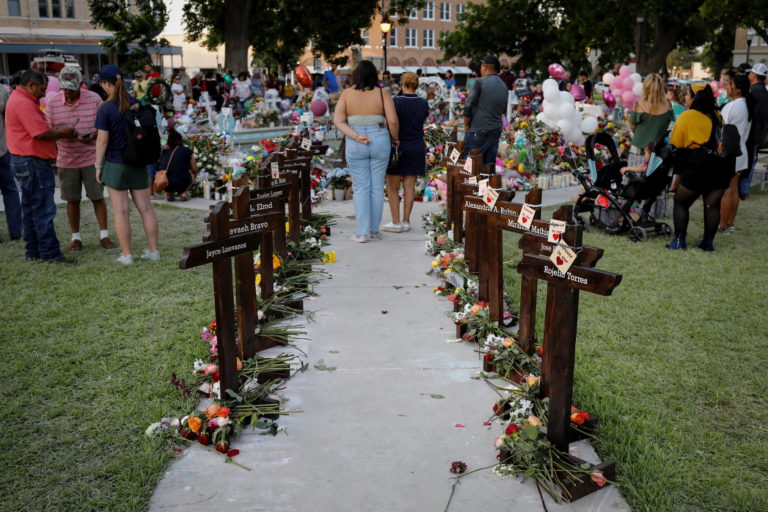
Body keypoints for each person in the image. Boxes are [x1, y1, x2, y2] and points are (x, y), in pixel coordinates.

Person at [6, 69, 78, 264]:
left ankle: (34, 251)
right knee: (43, 210)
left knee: (31, 208)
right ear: (31, 85)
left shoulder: (19, 99)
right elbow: (40, 133)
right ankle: (50, 253)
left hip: (24, 159)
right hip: (33, 161)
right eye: (42, 89)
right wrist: (62, 132)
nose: (44, 93)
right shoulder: (23, 103)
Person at [44, 66, 115, 252]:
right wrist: (62, 132)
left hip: (91, 157)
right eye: (65, 89)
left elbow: (104, 126)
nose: (68, 93)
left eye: (72, 89)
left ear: (81, 85)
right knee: (72, 200)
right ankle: (75, 237)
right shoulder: (53, 102)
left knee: (97, 197)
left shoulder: (94, 99)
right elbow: (47, 130)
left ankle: (104, 235)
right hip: (66, 159)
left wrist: (93, 136)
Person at [94, 65, 159, 264]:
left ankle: (126, 254)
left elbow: (102, 141)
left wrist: (98, 166)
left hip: (116, 163)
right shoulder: (137, 103)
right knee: (146, 209)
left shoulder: (105, 108)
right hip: (138, 162)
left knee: (121, 211)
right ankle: (153, 250)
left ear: (106, 83)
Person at [333, 60, 398, 242]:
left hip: (356, 141)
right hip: (379, 138)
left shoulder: (347, 94)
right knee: (377, 187)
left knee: (361, 188)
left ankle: (362, 233)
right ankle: (374, 230)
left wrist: (355, 136)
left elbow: (338, 121)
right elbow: (392, 120)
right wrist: (395, 138)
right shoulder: (382, 92)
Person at [666, 84, 731, 251]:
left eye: (688, 94)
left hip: (697, 165)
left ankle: (679, 242)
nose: (685, 97)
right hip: (720, 165)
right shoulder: (717, 114)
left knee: (681, 202)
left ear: (696, 97)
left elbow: (676, 142)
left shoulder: (688, 116)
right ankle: (707, 244)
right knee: (712, 205)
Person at [381, 72, 429, 233]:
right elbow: (422, 122)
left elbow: (390, 122)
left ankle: (396, 222)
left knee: (393, 187)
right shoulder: (423, 103)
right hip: (416, 145)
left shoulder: (395, 102)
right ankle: (406, 221)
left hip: (398, 145)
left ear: (402, 84)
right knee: (410, 187)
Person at [719, 72, 753, 234]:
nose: (727, 87)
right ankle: (729, 224)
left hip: (729, 152)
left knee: (727, 190)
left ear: (737, 89)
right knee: (734, 190)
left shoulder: (731, 106)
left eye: (730, 84)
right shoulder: (747, 104)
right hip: (741, 151)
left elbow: (721, 129)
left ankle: (722, 225)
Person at [463, 55, 508, 167]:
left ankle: (471, 179)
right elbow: (503, 110)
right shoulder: (504, 86)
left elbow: (468, 105)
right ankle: (487, 179)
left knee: (469, 167)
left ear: (484, 67)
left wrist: (466, 124)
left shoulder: (479, 82)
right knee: (488, 167)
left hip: (478, 130)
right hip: (495, 130)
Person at [628, 74, 674, 168]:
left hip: (638, 146)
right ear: (661, 88)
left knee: (633, 174)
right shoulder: (668, 106)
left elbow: (632, 126)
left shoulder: (638, 105)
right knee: (655, 176)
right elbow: (670, 126)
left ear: (645, 87)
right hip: (659, 150)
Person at [739, 62, 768, 200]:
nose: (748, 74)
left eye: (751, 73)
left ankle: (742, 190)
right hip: (758, 134)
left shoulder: (752, 92)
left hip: (749, 134)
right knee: (750, 162)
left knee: (746, 162)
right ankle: (744, 190)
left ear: (754, 75)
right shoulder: (765, 92)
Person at [0, 80, 22, 243]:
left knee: (10, 190)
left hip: (4, 148)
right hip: (3, 147)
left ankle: (15, 231)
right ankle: (16, 231)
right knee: (10, 190)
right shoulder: (2, 91)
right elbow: (8, 117)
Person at [157, 128, 198, 201]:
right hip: (181, 183)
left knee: (170, 174)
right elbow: (194, 169)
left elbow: (159, 167)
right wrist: (195, 174)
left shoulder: (165, 151)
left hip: (165, 182)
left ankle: (169, 194)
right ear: (180, 140)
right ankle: (183, 193)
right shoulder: (186, 151)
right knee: (192, 174)